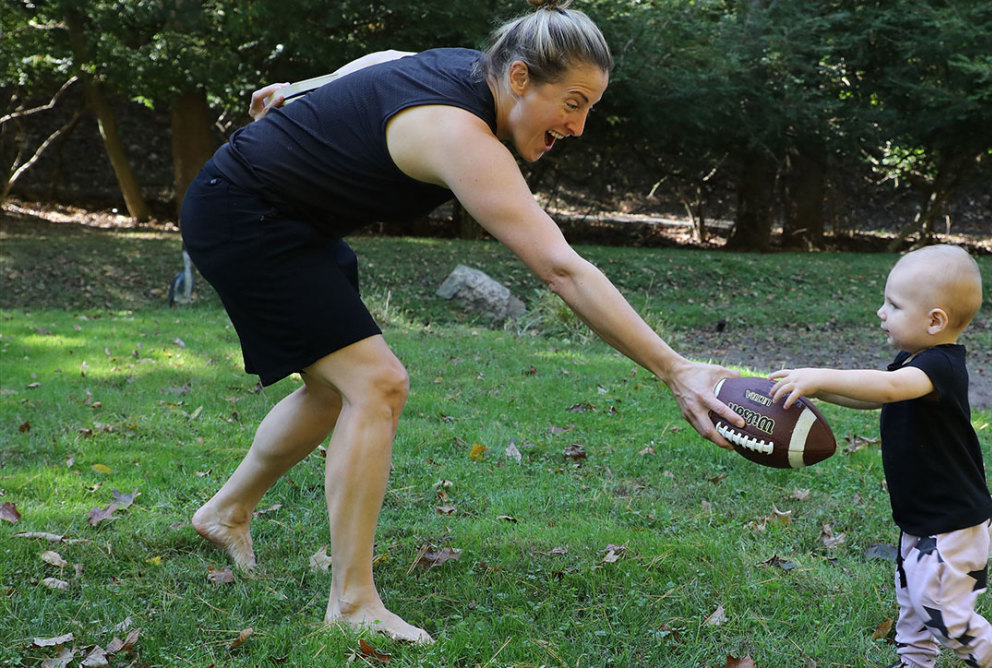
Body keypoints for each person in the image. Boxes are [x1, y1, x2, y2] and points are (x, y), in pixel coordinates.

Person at [180, 0, 743, 645]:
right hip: (246, 216)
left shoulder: (471, 72)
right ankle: (353, 602)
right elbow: (562, 269)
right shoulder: (459, 132)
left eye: (590, 107)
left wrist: (304, 87)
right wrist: (676, 370)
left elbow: (386, 61)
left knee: (334, 389)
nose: (580, 126)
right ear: (522, 78)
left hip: (291, 221)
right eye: (575, 101)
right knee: (377, 385)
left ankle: (225, 512)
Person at [768, 245, 992, 668]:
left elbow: (887, 389)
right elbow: (873, 397)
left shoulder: (940, 367)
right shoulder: (911, 363)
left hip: (954, 524)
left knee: (945, 614)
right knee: (911, 598)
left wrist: (822, 375)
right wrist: (817, 389)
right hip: (922, 516)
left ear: (935, 321)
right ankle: (915, 663)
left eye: (893, 304)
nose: (880, 312)